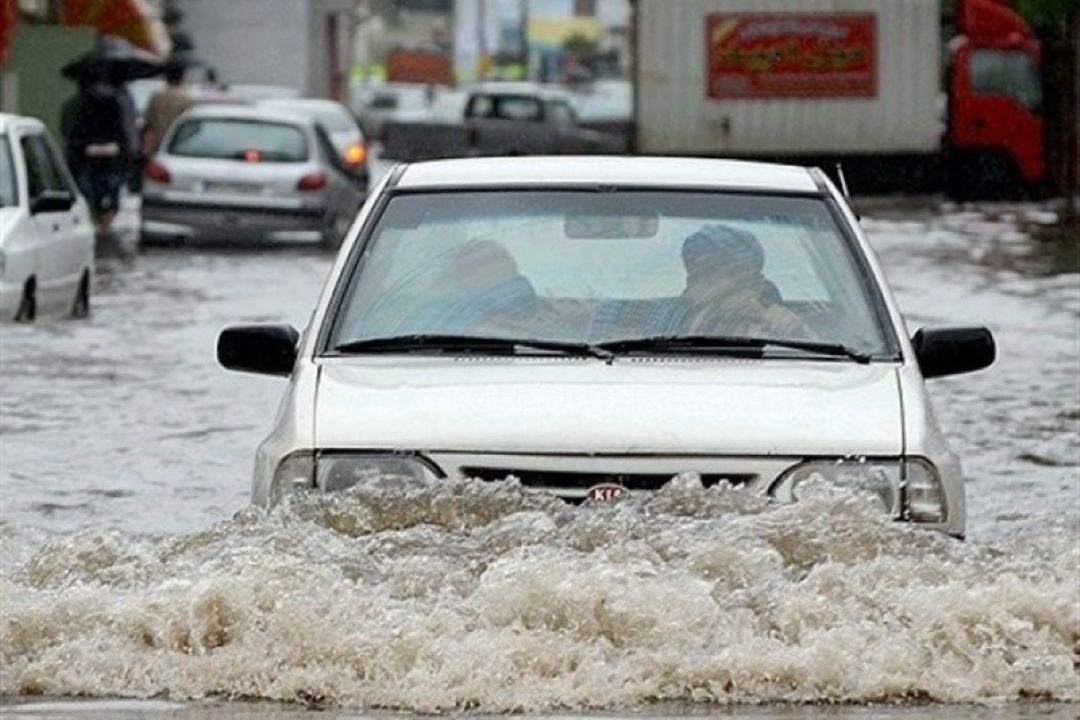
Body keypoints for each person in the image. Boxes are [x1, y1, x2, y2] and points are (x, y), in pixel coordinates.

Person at [674, 224, 810, 338]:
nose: (717, 286)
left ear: (755, 281)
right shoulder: (671, 318)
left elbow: (815, 356)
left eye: (729, 272)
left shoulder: (779, 322)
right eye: (700, 274)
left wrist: (795, 331)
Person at [61, 64, 138, 234]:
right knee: (109, 190)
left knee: (89, 191)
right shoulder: (117, 100)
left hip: (86, 156)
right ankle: (104, 224)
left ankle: (97, 222)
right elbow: (124, 130)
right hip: (110, 156)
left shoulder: (76, 103)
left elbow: (68, 130)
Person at [142, 61, 194, 156]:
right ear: (181, 77)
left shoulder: (156, 97)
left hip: (157, 145)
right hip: (176, 147)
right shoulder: (186, 99)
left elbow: (148, 123)